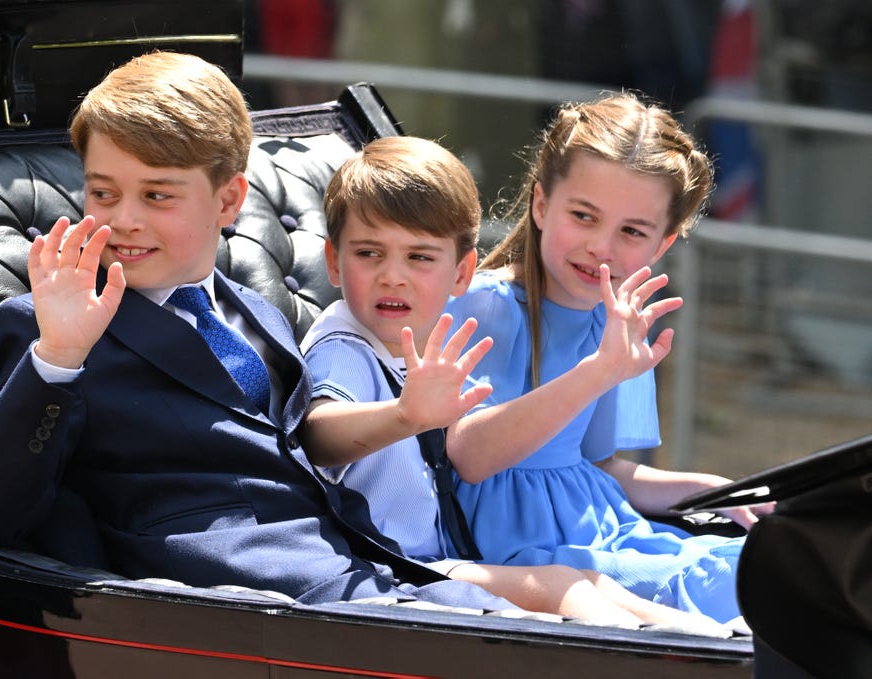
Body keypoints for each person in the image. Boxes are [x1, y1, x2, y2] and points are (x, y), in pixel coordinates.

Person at [0, 51, 514, 611]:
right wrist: (59, 356)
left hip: (357, 563)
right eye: (103, 193)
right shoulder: (48, 327)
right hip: (232, 594)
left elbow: (301, 452)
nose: (123, 218)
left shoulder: (256, 311)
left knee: (565, 624)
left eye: (157, 194)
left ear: (228, 200)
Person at [299, 134, 727, 632]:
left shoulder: (418, 343)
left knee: (591, 584)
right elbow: (317, 433)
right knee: (562, 586)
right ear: (333, 261)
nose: (393, 276)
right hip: (394, 566)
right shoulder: (346, 344)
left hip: (441, 554)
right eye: (369, 253)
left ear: (459, 273)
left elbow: (599, 465)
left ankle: (717, 643)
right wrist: (403, 415)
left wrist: (716, 492)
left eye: (418, 258)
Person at [442, 91, 772, 624]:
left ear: (661, 246)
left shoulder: (617, 318)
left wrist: (710, 490)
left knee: (760, 562)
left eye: (632, 232)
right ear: (541, 205)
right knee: (738, 589)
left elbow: (603, 470)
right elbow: (470, 458)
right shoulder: (482, 306)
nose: (602, 247)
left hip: (609, 531)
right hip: (531, 556)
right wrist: (598, 371)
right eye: (584, 216)